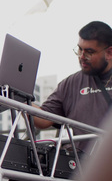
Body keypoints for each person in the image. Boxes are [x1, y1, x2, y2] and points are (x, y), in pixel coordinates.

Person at [34, 21, 112, 153]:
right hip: (79, 168)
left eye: (89, 52)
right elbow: (43, 120)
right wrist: (21, 100)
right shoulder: (70, 83)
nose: (82, 57)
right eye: (80, 49)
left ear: (109, 53)